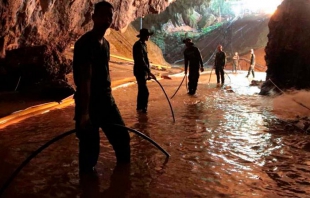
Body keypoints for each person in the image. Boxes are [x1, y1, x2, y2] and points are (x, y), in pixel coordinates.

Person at [73, 1, 130, 175]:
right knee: (90, 153)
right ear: (93, 17)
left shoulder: (105, 44)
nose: (107, 19)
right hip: (90, 103)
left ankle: (123, 183)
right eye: (103, 15)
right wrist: (84, 114)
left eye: (110, 16)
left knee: (123, 140)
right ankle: (88, 188)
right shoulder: (85, 43)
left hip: (107, 101)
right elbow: (85, 80)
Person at [133, 28, 156, 113]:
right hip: (139, 71)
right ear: (145, 36)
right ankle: (143, 109)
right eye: (148, 35)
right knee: (145, 92)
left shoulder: (143, 45)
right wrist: (149, 72)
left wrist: (148, 73)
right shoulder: (138, 45)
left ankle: (139, 109)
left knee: (141, 90)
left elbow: (145, 59)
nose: (149, 36)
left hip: (143, 71)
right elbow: (141, 60)